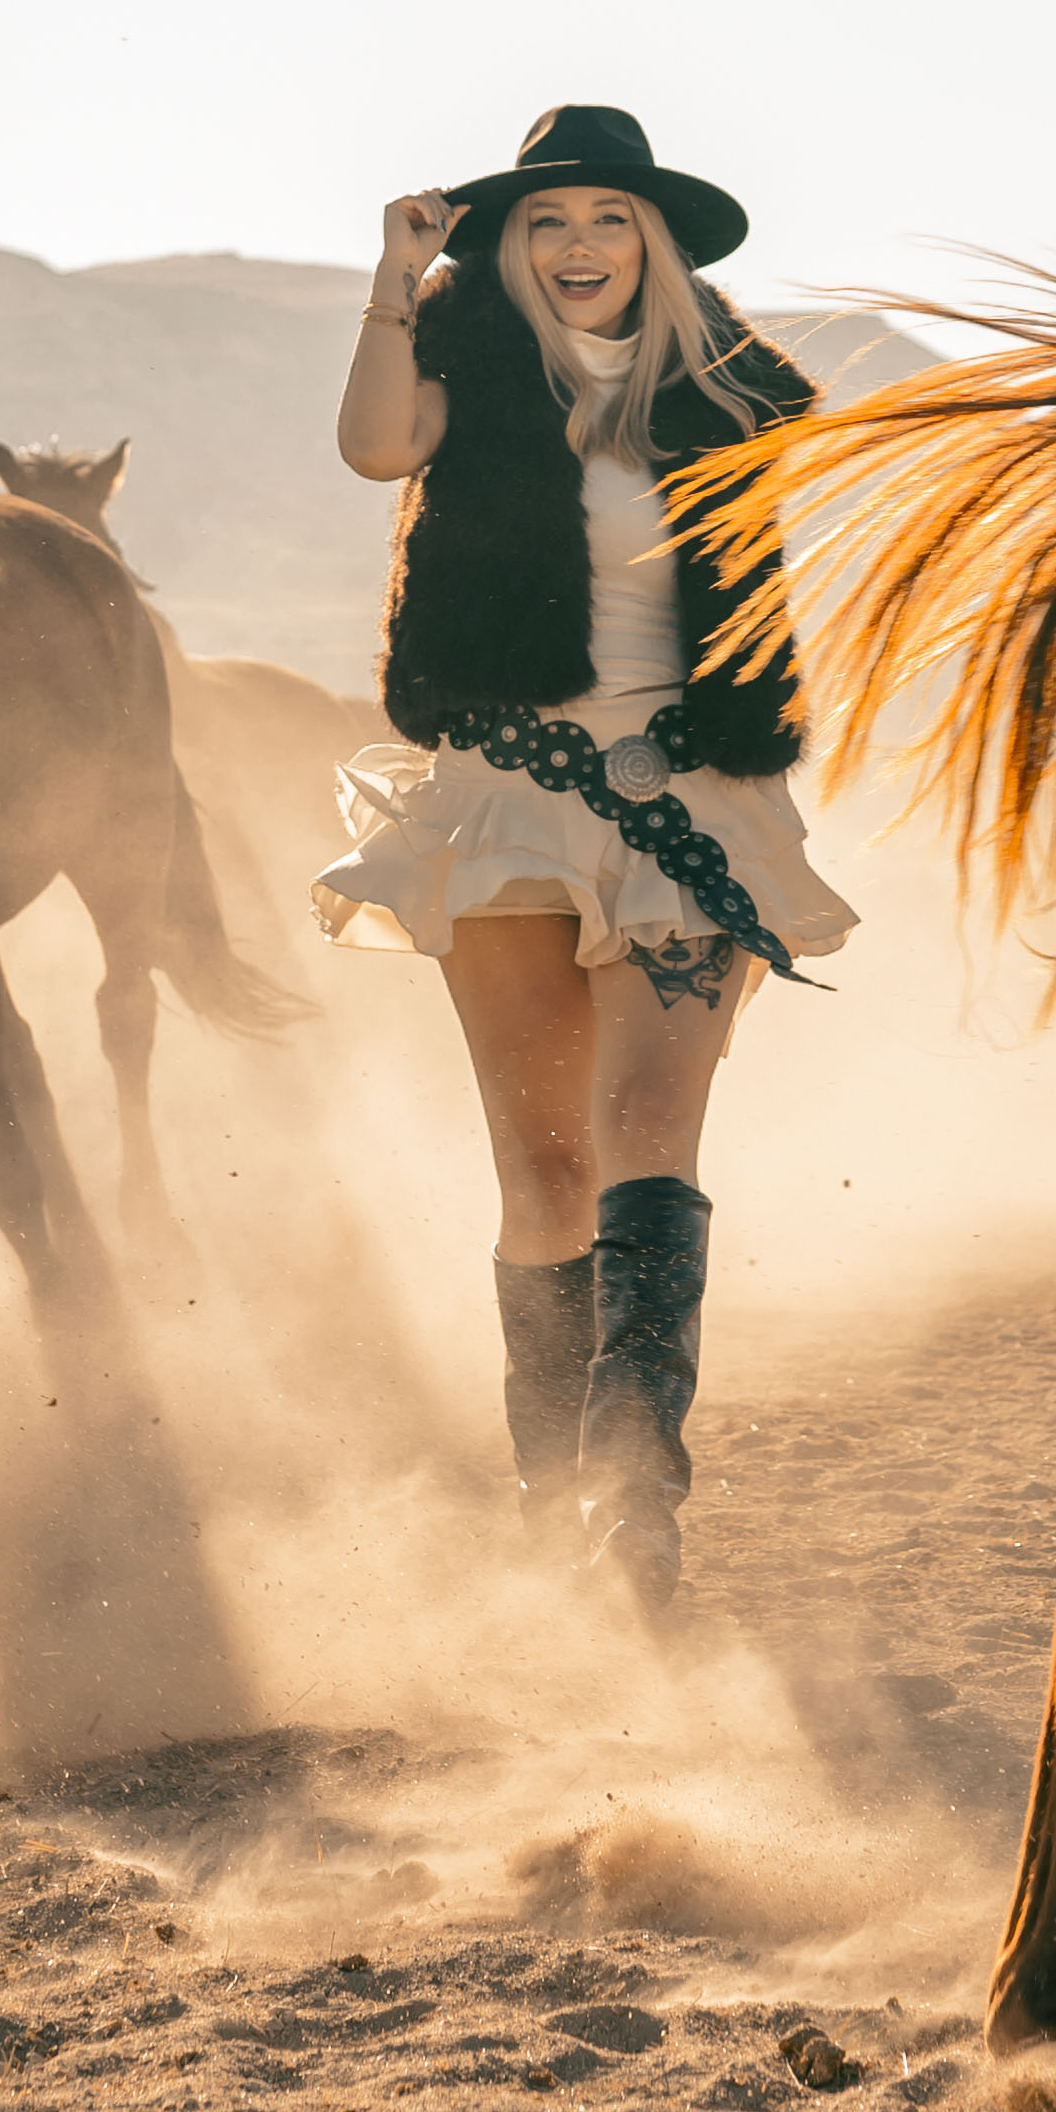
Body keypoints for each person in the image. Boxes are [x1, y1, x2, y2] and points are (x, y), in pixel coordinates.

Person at [320, 102, 857, 1600]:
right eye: (547, 222)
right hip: (501, 794)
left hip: (686, 805)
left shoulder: (727, 397)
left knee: (642, 1127)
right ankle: (551, 1502)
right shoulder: (462, 370)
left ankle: (637, 1492)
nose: (578, 248)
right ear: (509, 244)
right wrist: (394, 277)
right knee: (546, 1172)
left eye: (609, 220)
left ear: (653, 242)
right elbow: (373, 449)